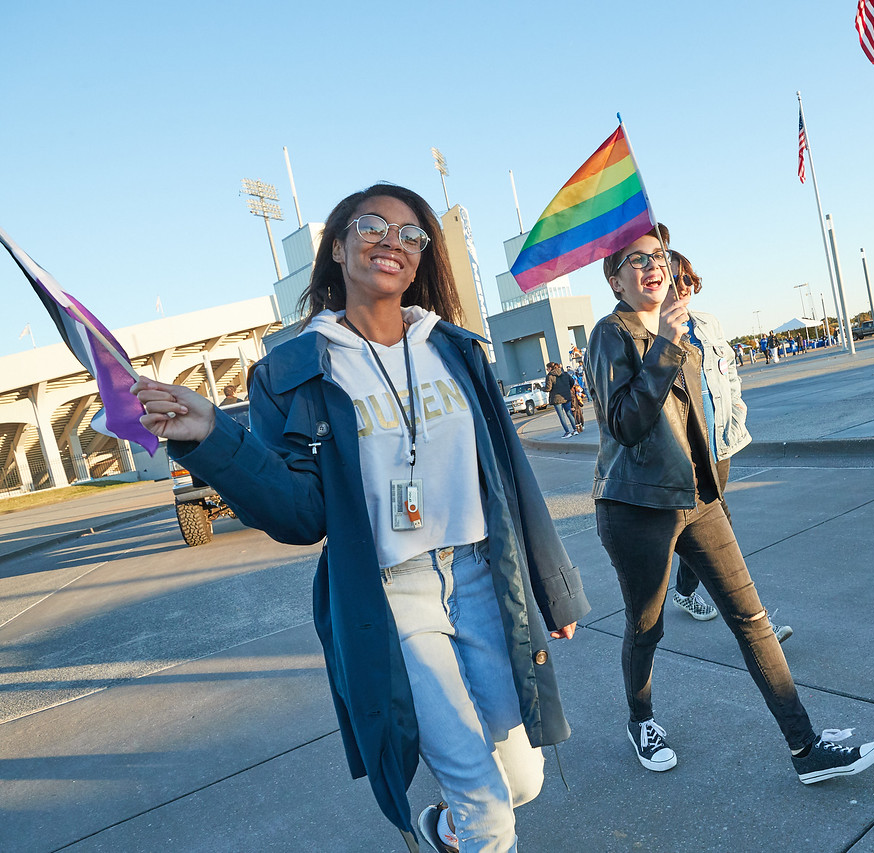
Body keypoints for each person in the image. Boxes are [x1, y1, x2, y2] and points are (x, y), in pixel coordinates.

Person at [132, 183, 589, 853]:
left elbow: (510, 474)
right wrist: (212, 438)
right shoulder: (293, 371)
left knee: (522, 777)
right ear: (339, 248)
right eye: (372, 226)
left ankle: (446, 830)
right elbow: (300, 512)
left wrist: (554, 583)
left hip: (485, 578)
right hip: (392, 594)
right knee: (491, 811)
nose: (392, 242)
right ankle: (471, 826)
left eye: (410, 235)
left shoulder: (456, 350)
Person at [585, 224, 874, 785]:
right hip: (638, 509)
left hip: (699, 499)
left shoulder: (683, 329)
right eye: (636, 260)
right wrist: (669, 346)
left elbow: (703, 417)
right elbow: (625, 423)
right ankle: (640, 719)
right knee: (645, 627)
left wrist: (716, 482)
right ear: (614, 279)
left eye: (659, 255)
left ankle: (806, 748)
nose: (653, 266)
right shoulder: (611, 334)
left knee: (752, 619)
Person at [663, 250, 793, 644]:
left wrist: (736, 414)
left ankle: (684, 591)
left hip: (718, 448)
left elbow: (730, 375)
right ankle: (759, 627)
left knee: (707, 531)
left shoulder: (709, 323)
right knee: (718, 535)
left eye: (687, 279)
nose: (681, 287)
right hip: (681, 456)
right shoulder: (649, 332)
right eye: (672, 280)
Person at [544, 362, 577, 437]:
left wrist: (541, 388)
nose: (547, 370)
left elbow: (548, 388)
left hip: (557, 398)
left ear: (550, 368)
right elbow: (572, 382)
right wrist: (567, 388)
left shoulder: (549, 376)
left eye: (547, 368)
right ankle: (575, 429)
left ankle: (567, 432)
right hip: (566, 396)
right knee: (569, 413)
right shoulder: (565, 374)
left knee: (561, 416)